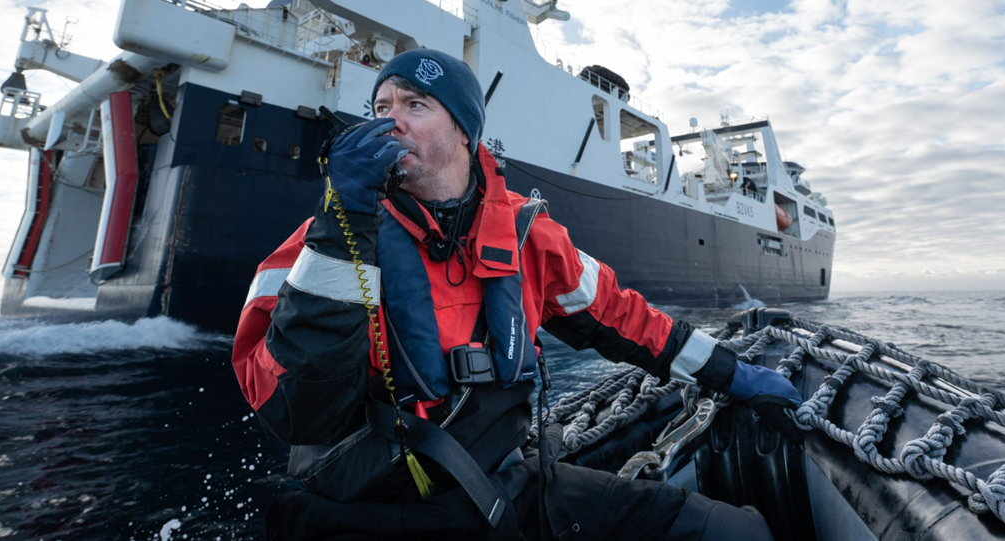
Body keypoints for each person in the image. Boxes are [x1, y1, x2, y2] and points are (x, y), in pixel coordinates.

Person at [232, 49, 802, 540]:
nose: (390, 122)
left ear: (464, 130)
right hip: (360, 510)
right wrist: (342, 223)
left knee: (732, 531)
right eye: (381, 108)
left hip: (502, 487)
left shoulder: (529, 238)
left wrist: (735, 375)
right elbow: (288, 411)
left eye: (414, 105)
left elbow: (628, 321)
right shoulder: (322, 241)